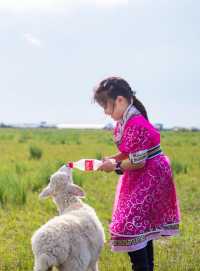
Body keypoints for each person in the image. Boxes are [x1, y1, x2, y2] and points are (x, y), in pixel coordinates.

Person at [93, 76, 181, 271]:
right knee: (141, 227)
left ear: (120, 100)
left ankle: (142, 267)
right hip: (145, 174)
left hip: (149, 176)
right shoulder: (127, 120)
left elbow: (138, 160)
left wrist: (114, 167)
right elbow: (130, 152)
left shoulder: (135, 123)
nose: (106, 112)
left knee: (129, 224)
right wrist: (114, 159)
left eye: (106, 106)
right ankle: (145, 267)